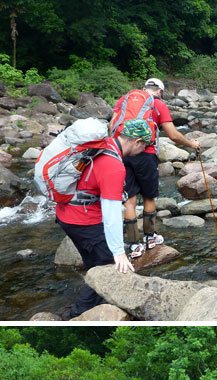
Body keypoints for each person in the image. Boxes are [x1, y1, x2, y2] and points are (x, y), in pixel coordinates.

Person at [55, 119, 154, 318]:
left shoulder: (104, 145)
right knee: (108, 267)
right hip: (83, 221)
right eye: (144, 145)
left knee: (93, 264)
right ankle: (77, 315)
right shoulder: (113, 166)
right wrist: (118, 252)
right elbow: (111, 214)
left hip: (66, 214)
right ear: (135, 141)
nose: (143, 150)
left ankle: (94, 299)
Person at [111, 78, 202, 258]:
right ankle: (150, 237)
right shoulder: (157, 104)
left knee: (128, 199)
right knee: (149, 196)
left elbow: (111, 125)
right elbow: (173, 135)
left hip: (122, 152)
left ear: (145, 88)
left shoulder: (124, 100)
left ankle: (133, 246)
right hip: (146, 153)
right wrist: (192, 144)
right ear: (160, 91)